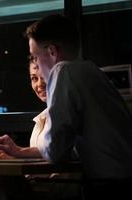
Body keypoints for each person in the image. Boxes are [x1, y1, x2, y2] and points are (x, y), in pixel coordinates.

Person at [25, 14, 132, 198]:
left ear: (52, 51)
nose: (37, 66)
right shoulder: (91, 70)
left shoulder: (63, 71)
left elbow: (55, 151)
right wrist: (21, 152)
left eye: (36, 56)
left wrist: (40, 142)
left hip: (109, 188)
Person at [0, 57, 47, 159]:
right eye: (34, 78)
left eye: (44, 76)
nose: (39, 84)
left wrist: (19, 151)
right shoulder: (42, 118)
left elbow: (61, 153)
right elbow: (41, 162)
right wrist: (11, 158)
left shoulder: (67, 113)